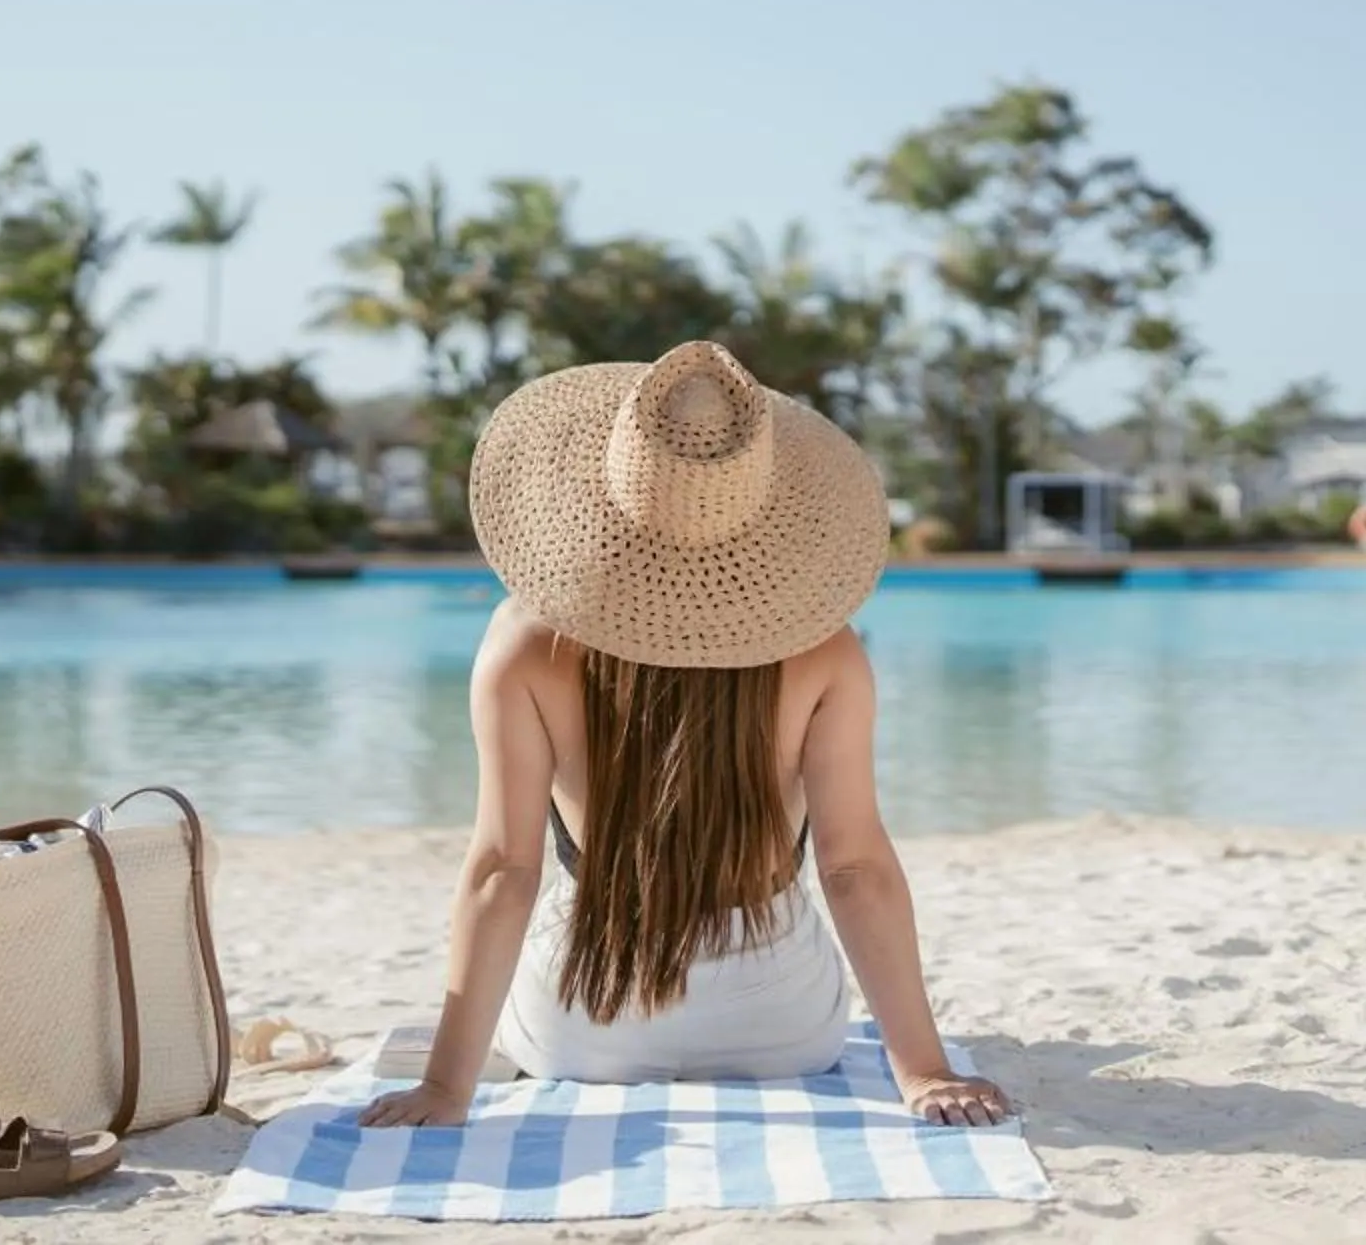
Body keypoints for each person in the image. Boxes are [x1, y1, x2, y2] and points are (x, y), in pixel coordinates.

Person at [359, 341, 1012, 1130]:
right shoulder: (827, 651)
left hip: (582, 1024)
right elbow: (855, 871)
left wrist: (445, 1090)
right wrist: (923, 1072)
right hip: (781, 1029)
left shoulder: (524, 645)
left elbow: (503, 871)